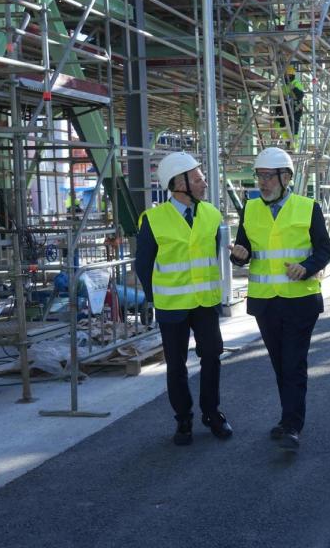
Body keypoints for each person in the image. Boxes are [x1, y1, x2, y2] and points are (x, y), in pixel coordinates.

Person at [229, 147, 330, 451]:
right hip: (265, 301)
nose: (262, 182)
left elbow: (325, 249)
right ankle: (288, 418)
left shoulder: (307, 207)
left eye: (268, 176)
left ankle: (292, 425)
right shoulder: (249, 209)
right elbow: (244, 250)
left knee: (293, 362)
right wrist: (238, 257)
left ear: (286, 177)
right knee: (279, 363)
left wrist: (308, 267)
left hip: (300, 300)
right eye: (259, 176)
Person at [135, 152, 232, 446]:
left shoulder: (212, 214)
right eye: (198, 178)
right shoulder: (152, 219)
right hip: (172, 305)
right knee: (176, 365)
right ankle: (183, 419)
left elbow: (213, 256)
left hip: (205, 302)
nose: (203, 183)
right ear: (179, 184)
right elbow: (144, 265)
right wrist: (157, 299)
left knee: (212, 357)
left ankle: (212, 413)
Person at [274, 65, 304, 145]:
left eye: (288, 75)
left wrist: (293, 89)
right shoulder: (284, 86)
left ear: (292, 75)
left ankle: (294, 145)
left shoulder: (296, 83)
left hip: (295, 109)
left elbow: (300, 96)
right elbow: (280, 98)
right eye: (285, 75)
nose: (286, 77)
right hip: (285, 109)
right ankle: (288, 141)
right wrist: (277, 109)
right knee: (277, 125)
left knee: (293, 129)